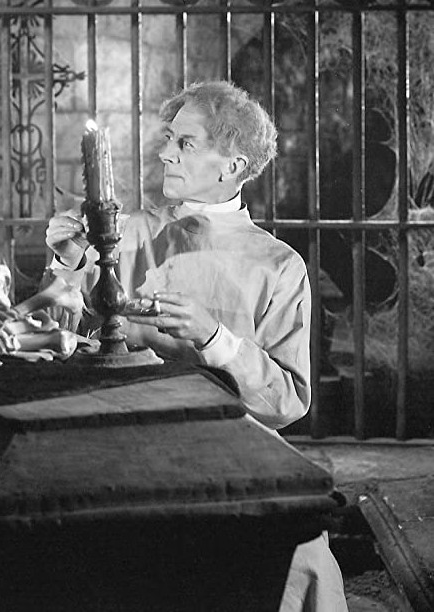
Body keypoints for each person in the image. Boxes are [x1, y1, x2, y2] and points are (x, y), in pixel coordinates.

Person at [46, 80, 346, 611]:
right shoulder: (125, 233)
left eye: (185, 143)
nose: (165, 153)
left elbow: (287, 401)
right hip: (119, 447)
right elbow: (53, 334)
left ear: (233, 165)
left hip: (229, 458)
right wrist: (67, 260)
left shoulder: (279, 266)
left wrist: (214, 339)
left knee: (300, 557)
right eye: (169, 138)